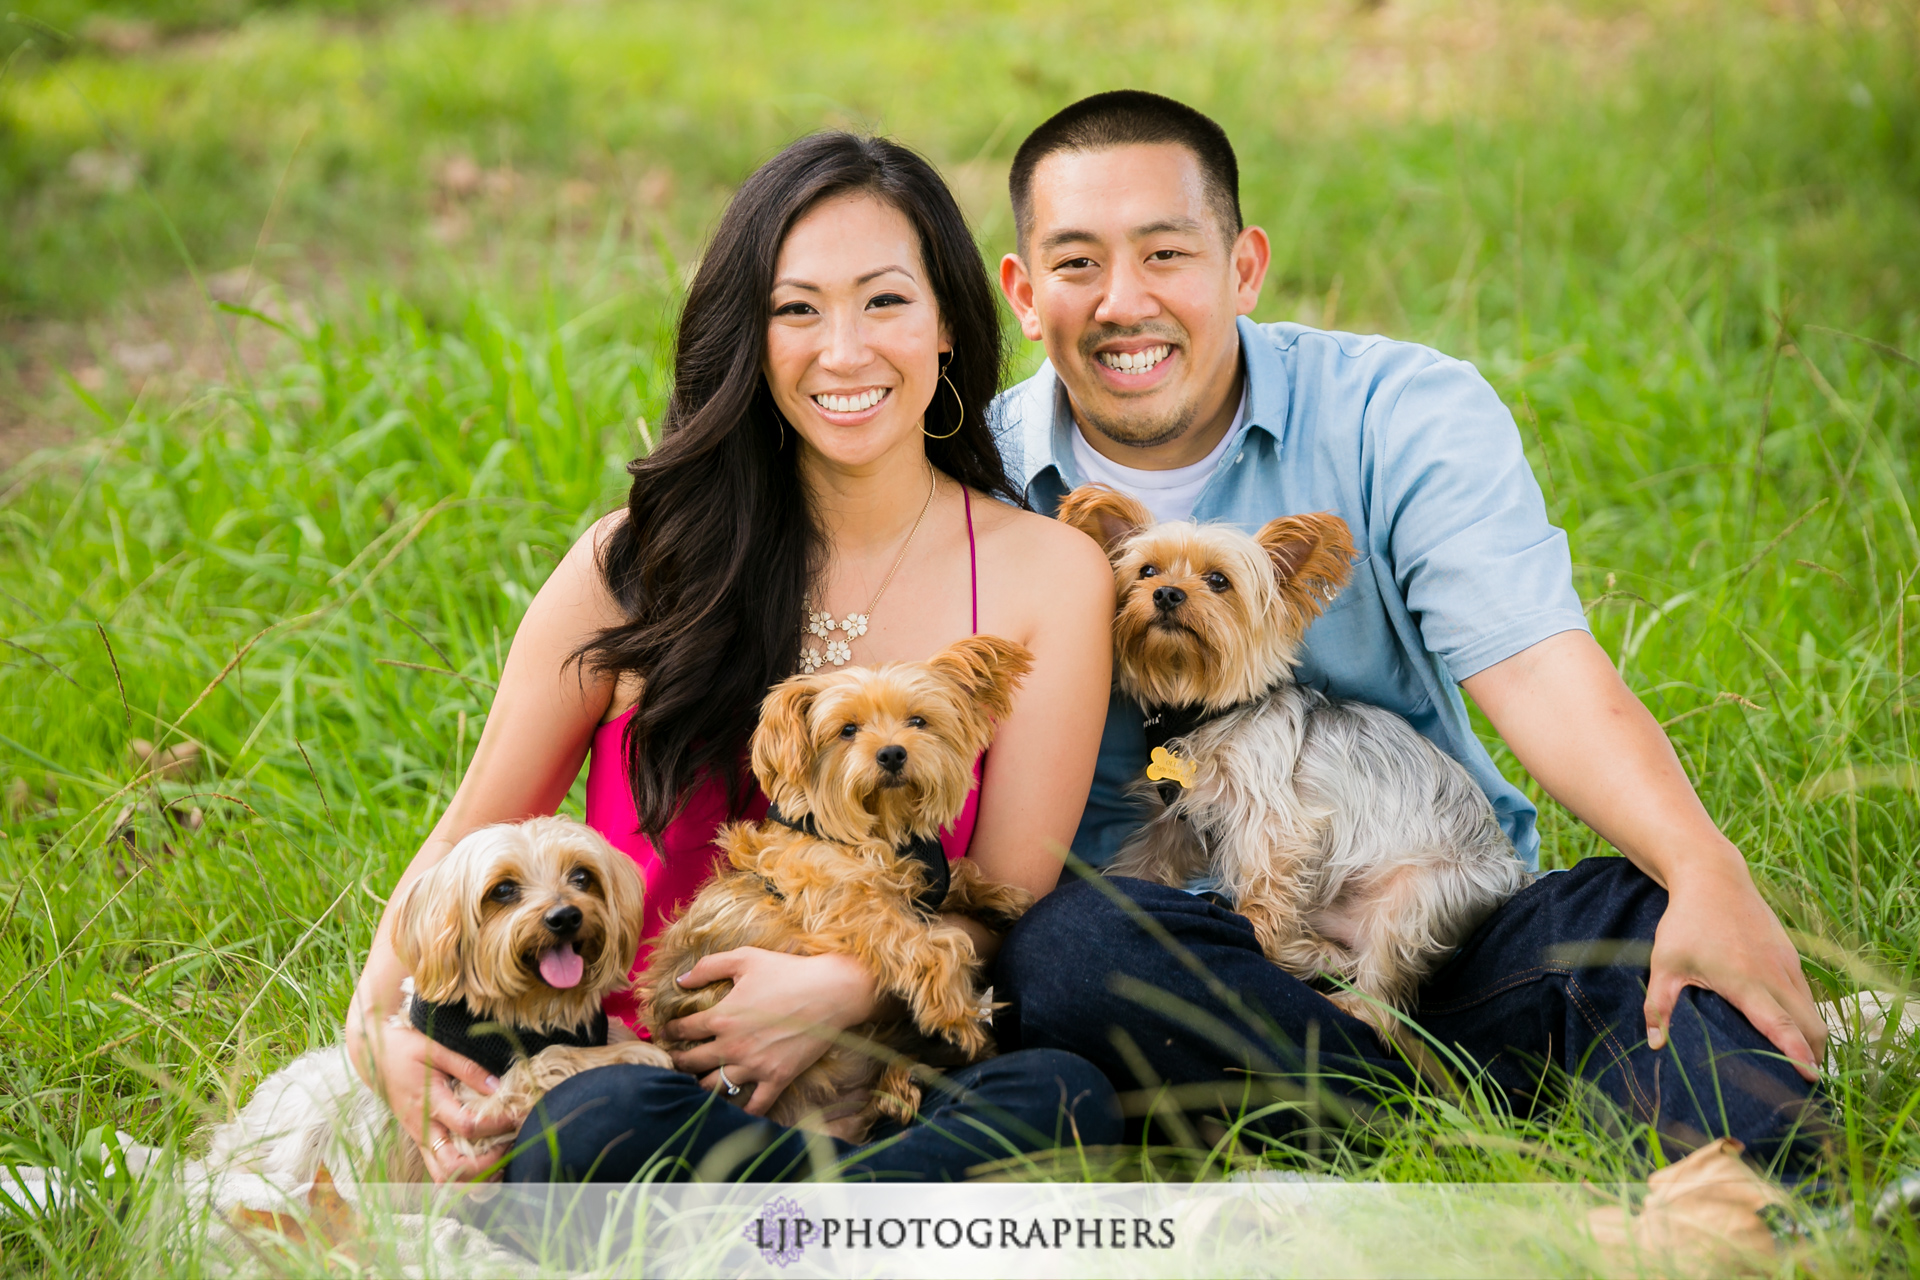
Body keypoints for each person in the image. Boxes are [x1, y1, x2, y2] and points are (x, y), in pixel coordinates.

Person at [988, 91, 1828, 1172]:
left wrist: (1707, 866)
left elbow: (1537, 667)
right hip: (1160, 968)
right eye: (1075, 264)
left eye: (1165, 253)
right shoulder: (982, 470)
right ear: (1021, 292)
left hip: (1434, 950)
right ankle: (1435, 1116)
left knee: (1629, 912)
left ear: (1243, 267)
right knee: (1069, 949)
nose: (1123, 302)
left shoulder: (1400, 409)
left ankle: (1755, 1196)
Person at [343, 132, 1121, 1185]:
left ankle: (796, 1218)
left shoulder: (1049, 574)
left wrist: (844, 991)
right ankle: (871, 1225)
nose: (842, 351)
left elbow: (1006, 907)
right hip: (644, 1068)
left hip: (882, 1070)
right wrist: (379, 1034)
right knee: (599, 1117)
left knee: (1061, 1093)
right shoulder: (636, 561)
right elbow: (472, 826)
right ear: (746, 339)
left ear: (947, 324)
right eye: (796, 309)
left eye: (884, 301)